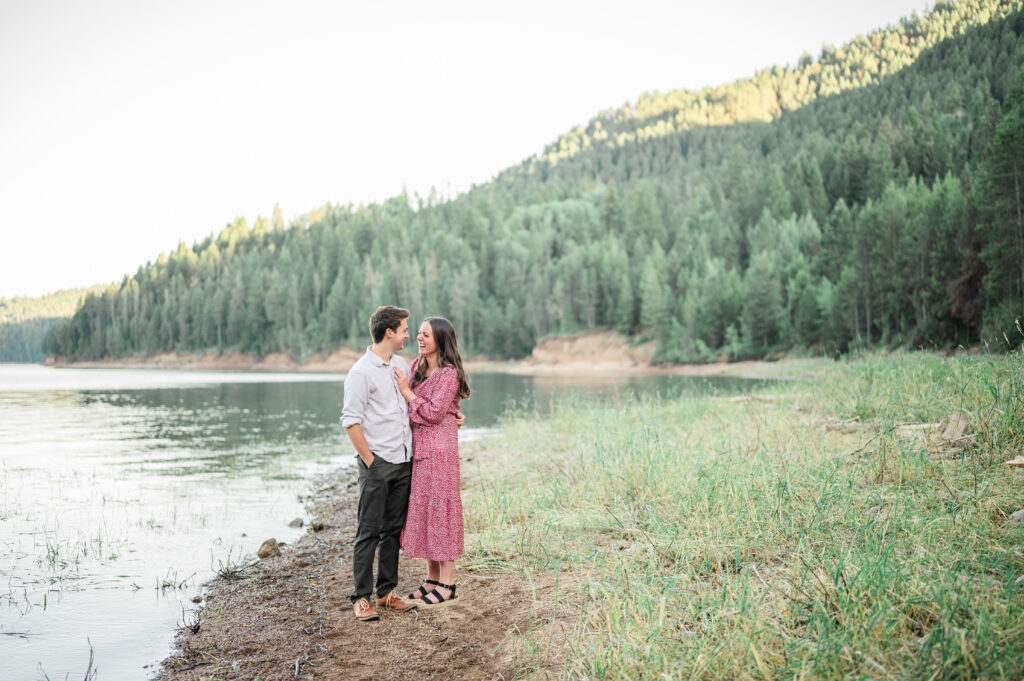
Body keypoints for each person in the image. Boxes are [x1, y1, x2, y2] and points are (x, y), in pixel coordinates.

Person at [341, 306, 419, 621]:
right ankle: (361, 598)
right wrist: (371, 463)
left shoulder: (400, 364)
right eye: (403, 329)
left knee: (393, 531)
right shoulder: (360, 372)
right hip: (378, 464)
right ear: (389, 332)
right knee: (369, 531)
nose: (407, 335)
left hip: (403, 461)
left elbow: (414, 397)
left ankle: (386, 593)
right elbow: (350, 422)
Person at [394, 316, 470, 607]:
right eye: (418, 334)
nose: (419, 338)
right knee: (426, 510)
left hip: (440, 452)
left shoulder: (448, 373)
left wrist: (407, 391)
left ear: (440, 339)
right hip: (420, 450)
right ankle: (432, 580)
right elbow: (441, 407)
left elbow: (436, 412)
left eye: (426, 335)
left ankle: (448, 584)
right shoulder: (417, 366)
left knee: (442, 512)